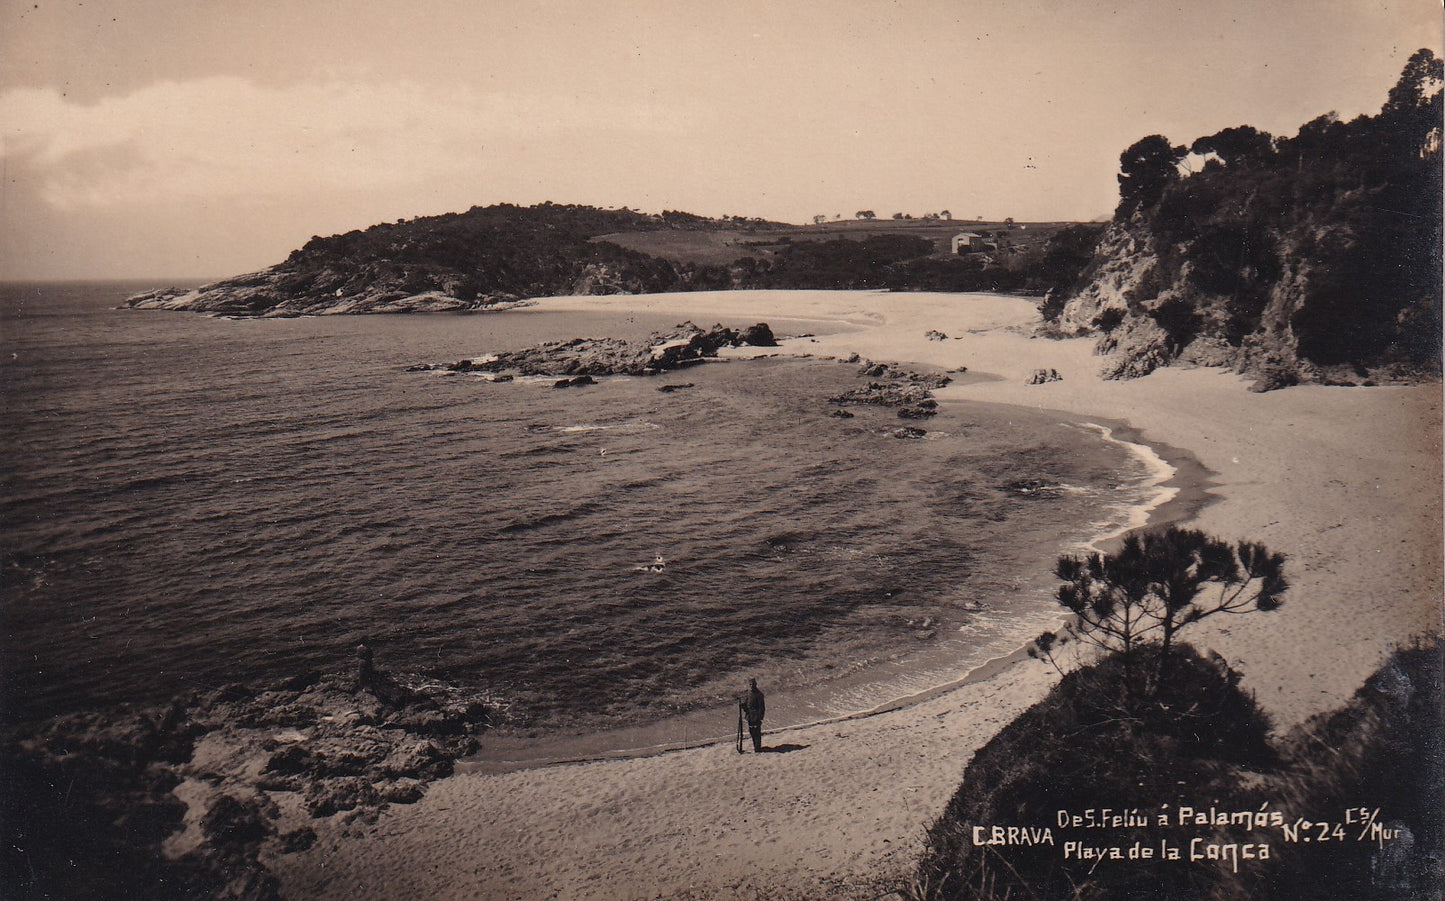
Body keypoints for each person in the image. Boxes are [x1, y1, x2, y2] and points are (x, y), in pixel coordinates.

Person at [740, 678, 765, 752]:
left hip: (756, 716)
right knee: (751, 731)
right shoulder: (748, 693)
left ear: (756, 684)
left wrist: (760, 717)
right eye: (750, 684)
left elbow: (762, 707)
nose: (751, 686)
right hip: (750, 716)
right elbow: (746, 704)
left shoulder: (759, 694)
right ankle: (755, 746)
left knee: (757, 731)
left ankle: (757, 748)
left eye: (753, 684)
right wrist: (742, 705)